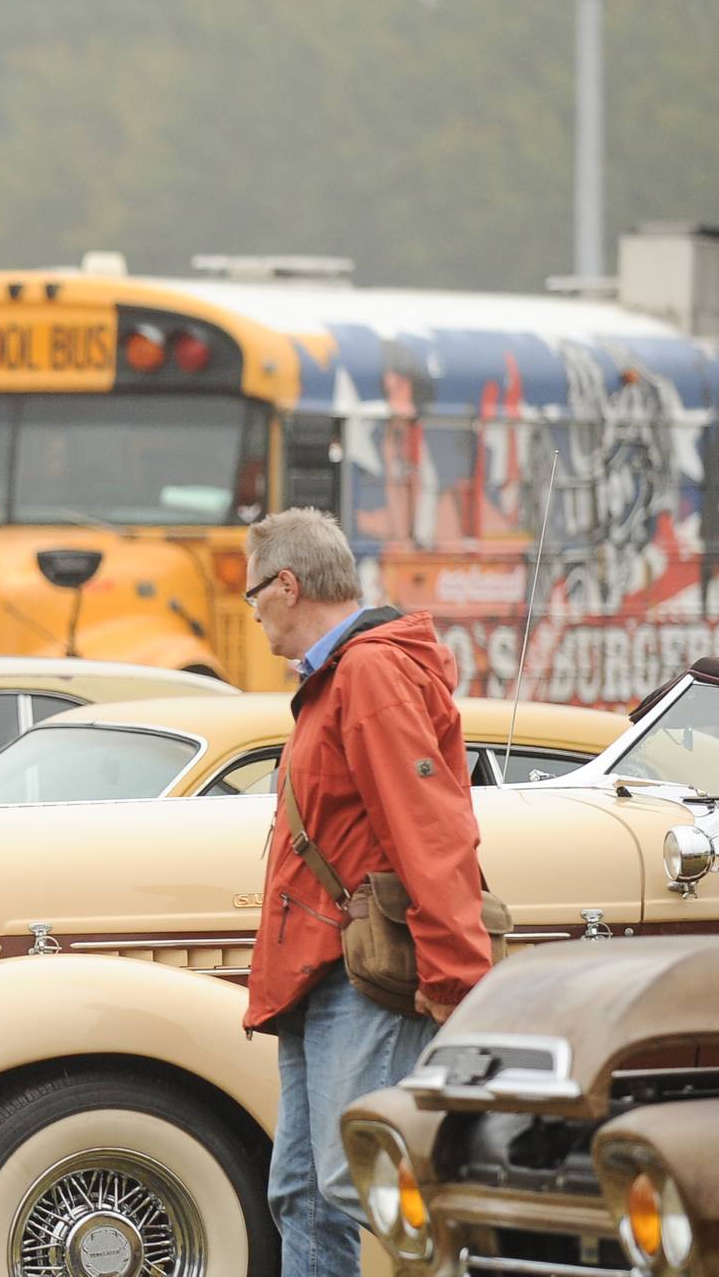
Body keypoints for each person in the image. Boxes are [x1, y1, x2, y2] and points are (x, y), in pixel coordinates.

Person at [237, 507, 492, 1276]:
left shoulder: (369, 672)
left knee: (358, 1179)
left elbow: (430, 830)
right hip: (329, 970)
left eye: (253, 596)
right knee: (307, 1191)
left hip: (359, 974)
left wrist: (454, 976)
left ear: (286, 585)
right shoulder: (346, 673)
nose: (252, 616)